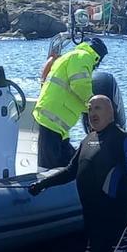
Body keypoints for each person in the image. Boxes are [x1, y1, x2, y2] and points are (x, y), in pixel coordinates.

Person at [28, 95, 127, 252]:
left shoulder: (121, 139)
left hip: (111, 212)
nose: (92, 113)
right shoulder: (88, 139)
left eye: (98, 108)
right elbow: (71, 171)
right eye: (90, 109)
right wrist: (42, 185)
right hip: (90, 212)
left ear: (110, 113)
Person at [31, 37, 108, 169]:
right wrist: (95, 105)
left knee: (69, 161)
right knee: (48, 166)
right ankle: (43, 186)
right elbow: (80, 85)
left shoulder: (72, 56)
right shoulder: (83, 57)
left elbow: (72, 91)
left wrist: (88, 109)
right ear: (98, 57)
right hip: (53, 119)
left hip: (57, 121)